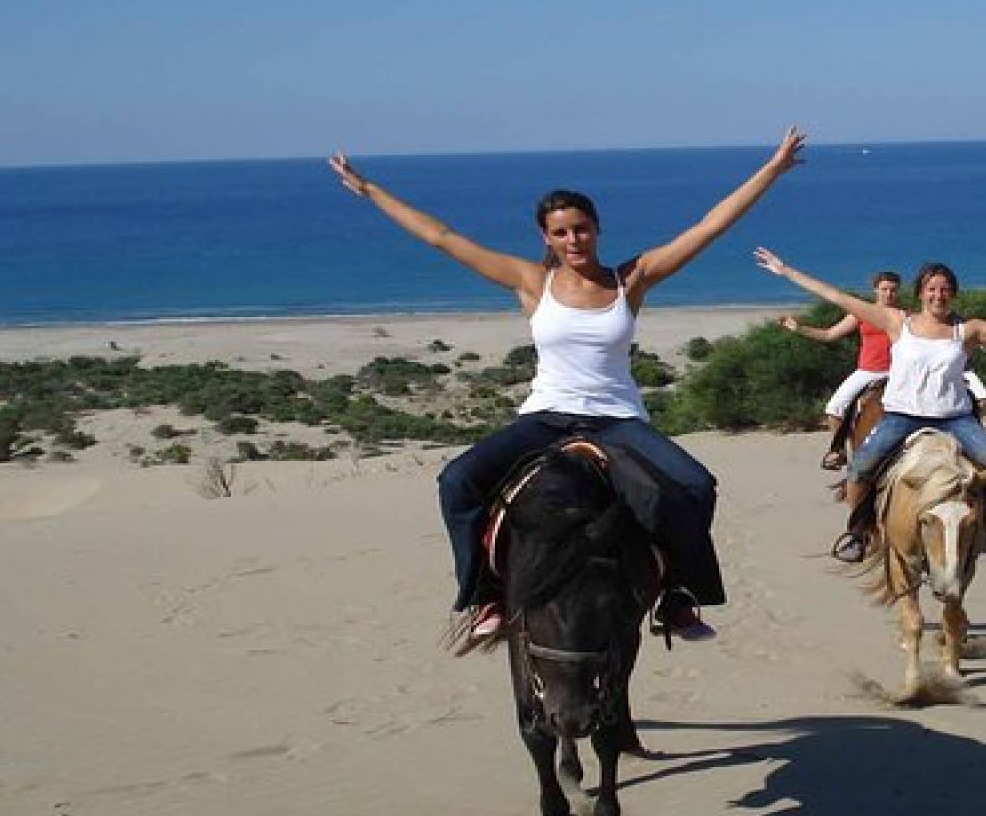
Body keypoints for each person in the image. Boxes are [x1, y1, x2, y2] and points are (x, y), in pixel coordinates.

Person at [329, 127, 806, 645]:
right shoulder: (532, 282)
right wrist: (370, 190)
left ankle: (676, 594)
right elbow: (442, 237)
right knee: (457, 482)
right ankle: (484, 595)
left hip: (617, 421)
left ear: (597, 230)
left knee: (694, 486)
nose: (573, 240)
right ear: (547, 239)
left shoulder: (632, 279)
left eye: (581, 229)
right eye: (561, 233)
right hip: (546, 416)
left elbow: (710, 226)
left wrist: (772, 170)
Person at [754, 249, 986, 564]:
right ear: (920, 293)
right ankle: (857, 532)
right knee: (860, 468)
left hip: (954, 418)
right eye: (932, 289)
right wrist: (785, 271)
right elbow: (835, 296)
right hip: (901, 415)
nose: (938, 295)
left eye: (945, 289)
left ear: (954, 294)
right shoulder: (895, 320)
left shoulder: (969, 329)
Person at [778, 270, 903, 470]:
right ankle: (840, 451)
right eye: (884, 289)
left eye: (893, 290)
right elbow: (829, 334)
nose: (889, 294)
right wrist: (798, 328)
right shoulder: (862, 312)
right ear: (875, 290)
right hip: (868, 371)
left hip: (899, 372)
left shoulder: (906, 316)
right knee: (834, 408)